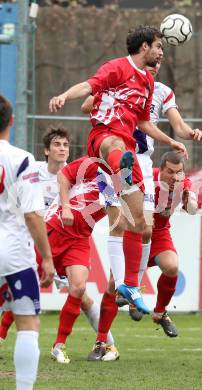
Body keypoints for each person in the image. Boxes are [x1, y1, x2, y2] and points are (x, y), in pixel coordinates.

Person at [49, 26, 187, 313]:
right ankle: (119, 171)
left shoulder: (148, 83)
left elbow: (144, 123)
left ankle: (130, 285)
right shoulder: (116, 67)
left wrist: (171, 139)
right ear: (145, 46)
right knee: (114, 145)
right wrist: (64, 95)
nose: (162, 52)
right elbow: (88, 87)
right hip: (103, 140)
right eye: (159, 46)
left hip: (128, 151)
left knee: (138, 223)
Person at [81, 61, 202, 319]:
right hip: (115, 155)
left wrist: (189, 133)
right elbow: (86, 106)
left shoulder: (161, 91)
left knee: (145, 227)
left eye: (160, 59)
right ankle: (122, 292)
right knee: (119, 222)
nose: (156, 63)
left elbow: (179, 126)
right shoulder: (121, 82)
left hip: (143, 163)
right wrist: (104, 96)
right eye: (152, 56)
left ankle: (132, 286)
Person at [0, 127, 116, 357]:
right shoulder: (35, 170)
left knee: (80, 292)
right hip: (42, 236)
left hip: (74, 238)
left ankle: (104, 343)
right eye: (57, 145)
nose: (62, 149)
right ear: (46, 150)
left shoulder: (95, 177)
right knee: (20, 287)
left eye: (65, 145)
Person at [87, 151, 198, 360]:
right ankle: (101, 341)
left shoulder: (184, 184)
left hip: (160, 235)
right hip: (135, 234)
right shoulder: (147, 179)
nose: (175, 177)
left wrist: (188, 201)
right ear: (160, 169)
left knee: (172, 266)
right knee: (113, 285)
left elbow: (193, 209)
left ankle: (160, 312)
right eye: (170, 172)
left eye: (179, 173)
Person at [0, 95, 55, 390]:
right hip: (13, 254)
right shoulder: (23, 160)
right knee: (27, 324)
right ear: (11, 120)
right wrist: (46, 257)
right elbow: (33, 214)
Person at [42, 156, 118, 363]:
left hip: (79, 239)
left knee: (78, 288)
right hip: (55, 228)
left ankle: (59, 345)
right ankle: (3, 333)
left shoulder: (124, 182)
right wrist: (66, 207)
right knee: (23, 283)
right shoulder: (93, 164)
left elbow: (121, 217)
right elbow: (63, 176)